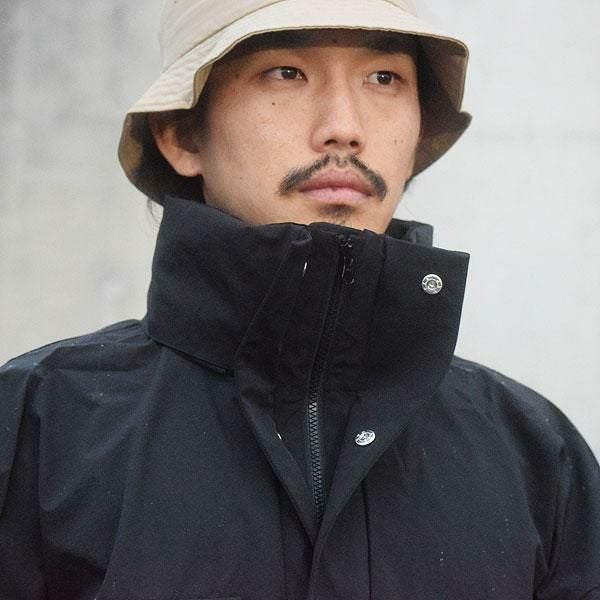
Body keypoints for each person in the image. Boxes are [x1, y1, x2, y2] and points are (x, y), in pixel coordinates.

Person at [1, 0, 598, 598]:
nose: (344, 126)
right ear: (182, 134)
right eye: (286, 72)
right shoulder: (39, 425)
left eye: (383, 78)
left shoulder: (535, 458)